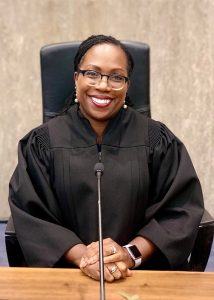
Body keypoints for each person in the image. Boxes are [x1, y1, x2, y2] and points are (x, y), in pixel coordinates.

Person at [8, 34, 204, 282]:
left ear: (127, 85)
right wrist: (84, 258)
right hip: (67, 276)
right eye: (92, 73)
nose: (103, 85)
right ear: (75, 78)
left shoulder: (157, 140)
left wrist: (128, 254)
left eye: (116, 77)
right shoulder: (41, 143)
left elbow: (181, 209)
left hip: (140, 274)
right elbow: (31, 213)